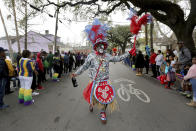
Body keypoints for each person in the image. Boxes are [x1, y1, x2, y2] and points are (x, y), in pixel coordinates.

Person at [71, 19, 132, 124]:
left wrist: (128, 53)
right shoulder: (91, 56)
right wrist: (76, 73)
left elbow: (117, 59)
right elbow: (84, 66)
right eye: (99, 45)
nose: (101, 47)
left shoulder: (107, 56)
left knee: (106, 97)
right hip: (94, 81)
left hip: (105, 81)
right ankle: (91, 103)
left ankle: (103, 111)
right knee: (93, 96)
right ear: (96, 46)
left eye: (103, 45)